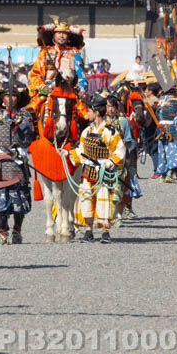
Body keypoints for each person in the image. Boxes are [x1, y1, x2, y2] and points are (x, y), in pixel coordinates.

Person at [0, 87, 35, 245]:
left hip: (18, 163)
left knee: (20, 201)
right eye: (7, 95)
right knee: (0, 203)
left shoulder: (25, 117)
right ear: (2, 98)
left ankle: (17, 230)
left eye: (14, 96)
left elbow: (28, 140)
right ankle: (3, 232)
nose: (10, 99)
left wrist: (17, 129)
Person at [72, 94, 124, 244]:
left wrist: (110, 162)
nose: (86, 113)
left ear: (96, 112)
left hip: (103, 172)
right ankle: (88, 230)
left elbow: (120, 150)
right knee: (86, 199)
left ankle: (105, 231)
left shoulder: (110, 132)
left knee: (103, 201)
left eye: (88, 110)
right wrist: (69, 154)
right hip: (88, 171)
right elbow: (81, 150)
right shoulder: (86, 131)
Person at [28, 21, 87, 111]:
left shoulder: (74, 53)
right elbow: (35, 74)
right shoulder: (45, 53)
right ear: (54, 35)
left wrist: (80, 91)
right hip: (48, 92)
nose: (62, 36)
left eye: (64, 33)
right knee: (31, 112)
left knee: (85, 116)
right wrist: (42, 87)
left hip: (69, 92)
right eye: (59, 33)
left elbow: (81, 77)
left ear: (68, 36)